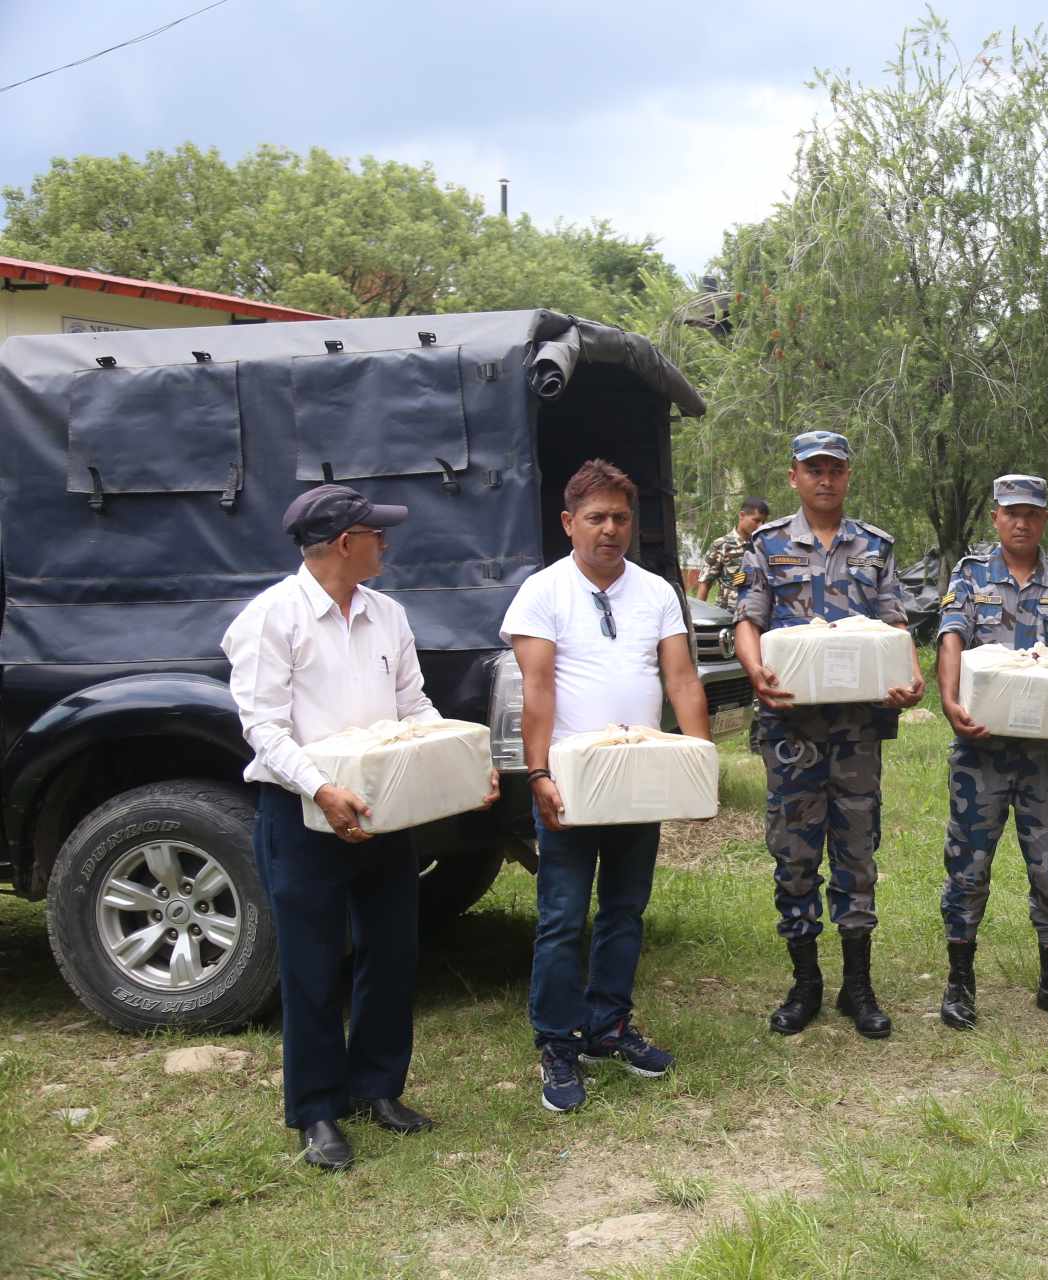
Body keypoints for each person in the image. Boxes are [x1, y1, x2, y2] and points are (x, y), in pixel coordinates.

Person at [223, 483, 499, 1171]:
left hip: (384, 804)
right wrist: (321, 788)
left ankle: (379, 1088)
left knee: (392, 950)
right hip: (301, 812)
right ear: (345, 543)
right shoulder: (272, 620)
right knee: (313, 964)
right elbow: (262, 727)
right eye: (377, 533)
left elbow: (415, 706)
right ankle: (317, 1113)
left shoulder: (387, 615)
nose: (387, 542)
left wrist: (465, 761)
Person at [501, 459, 711, 1114]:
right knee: (563, 917)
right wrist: (536, 773)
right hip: (572, 781)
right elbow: (537, 691)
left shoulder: (655, 593)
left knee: (624, 910)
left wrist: (698, 766)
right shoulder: (543, 592)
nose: (610, 530)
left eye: (621, 517)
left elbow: (680, 681)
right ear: (569, 523)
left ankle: (609, 1026)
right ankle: (558, 1042)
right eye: (596, 518)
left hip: (639, 778)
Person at [734, 431, 924, 1039]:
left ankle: (857, 986)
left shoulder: (875, 547)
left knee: (857, 852)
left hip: (857, 729)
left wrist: (910, 675)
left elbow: (895, 622)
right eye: (813, 469)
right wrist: (754, 671)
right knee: (793, 854)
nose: (825, 479)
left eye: (835, 469)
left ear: (848, 476)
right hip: (792, 726)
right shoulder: (766, 545)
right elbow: (748, 620)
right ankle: (805, 982)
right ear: (794, 477)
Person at [935, 474, 1048, 1030]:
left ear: (1045, 519)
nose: (1021, 521)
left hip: (1046, 755)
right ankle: (960, 984)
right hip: (980, 751)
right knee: (968, 867)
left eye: (1031, 513)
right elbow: (951, 637)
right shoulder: (969, 575)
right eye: (1011, 512)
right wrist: (948, 699)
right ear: (996, 517)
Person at [697, 496, 771, 610]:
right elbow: (705, 583)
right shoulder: (722, 545)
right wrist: (697, 619)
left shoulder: (764, 546)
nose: (760, 526)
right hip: (728, 615)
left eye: (763, 522)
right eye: (756, 520)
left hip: (757, 614)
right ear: (742, 515)